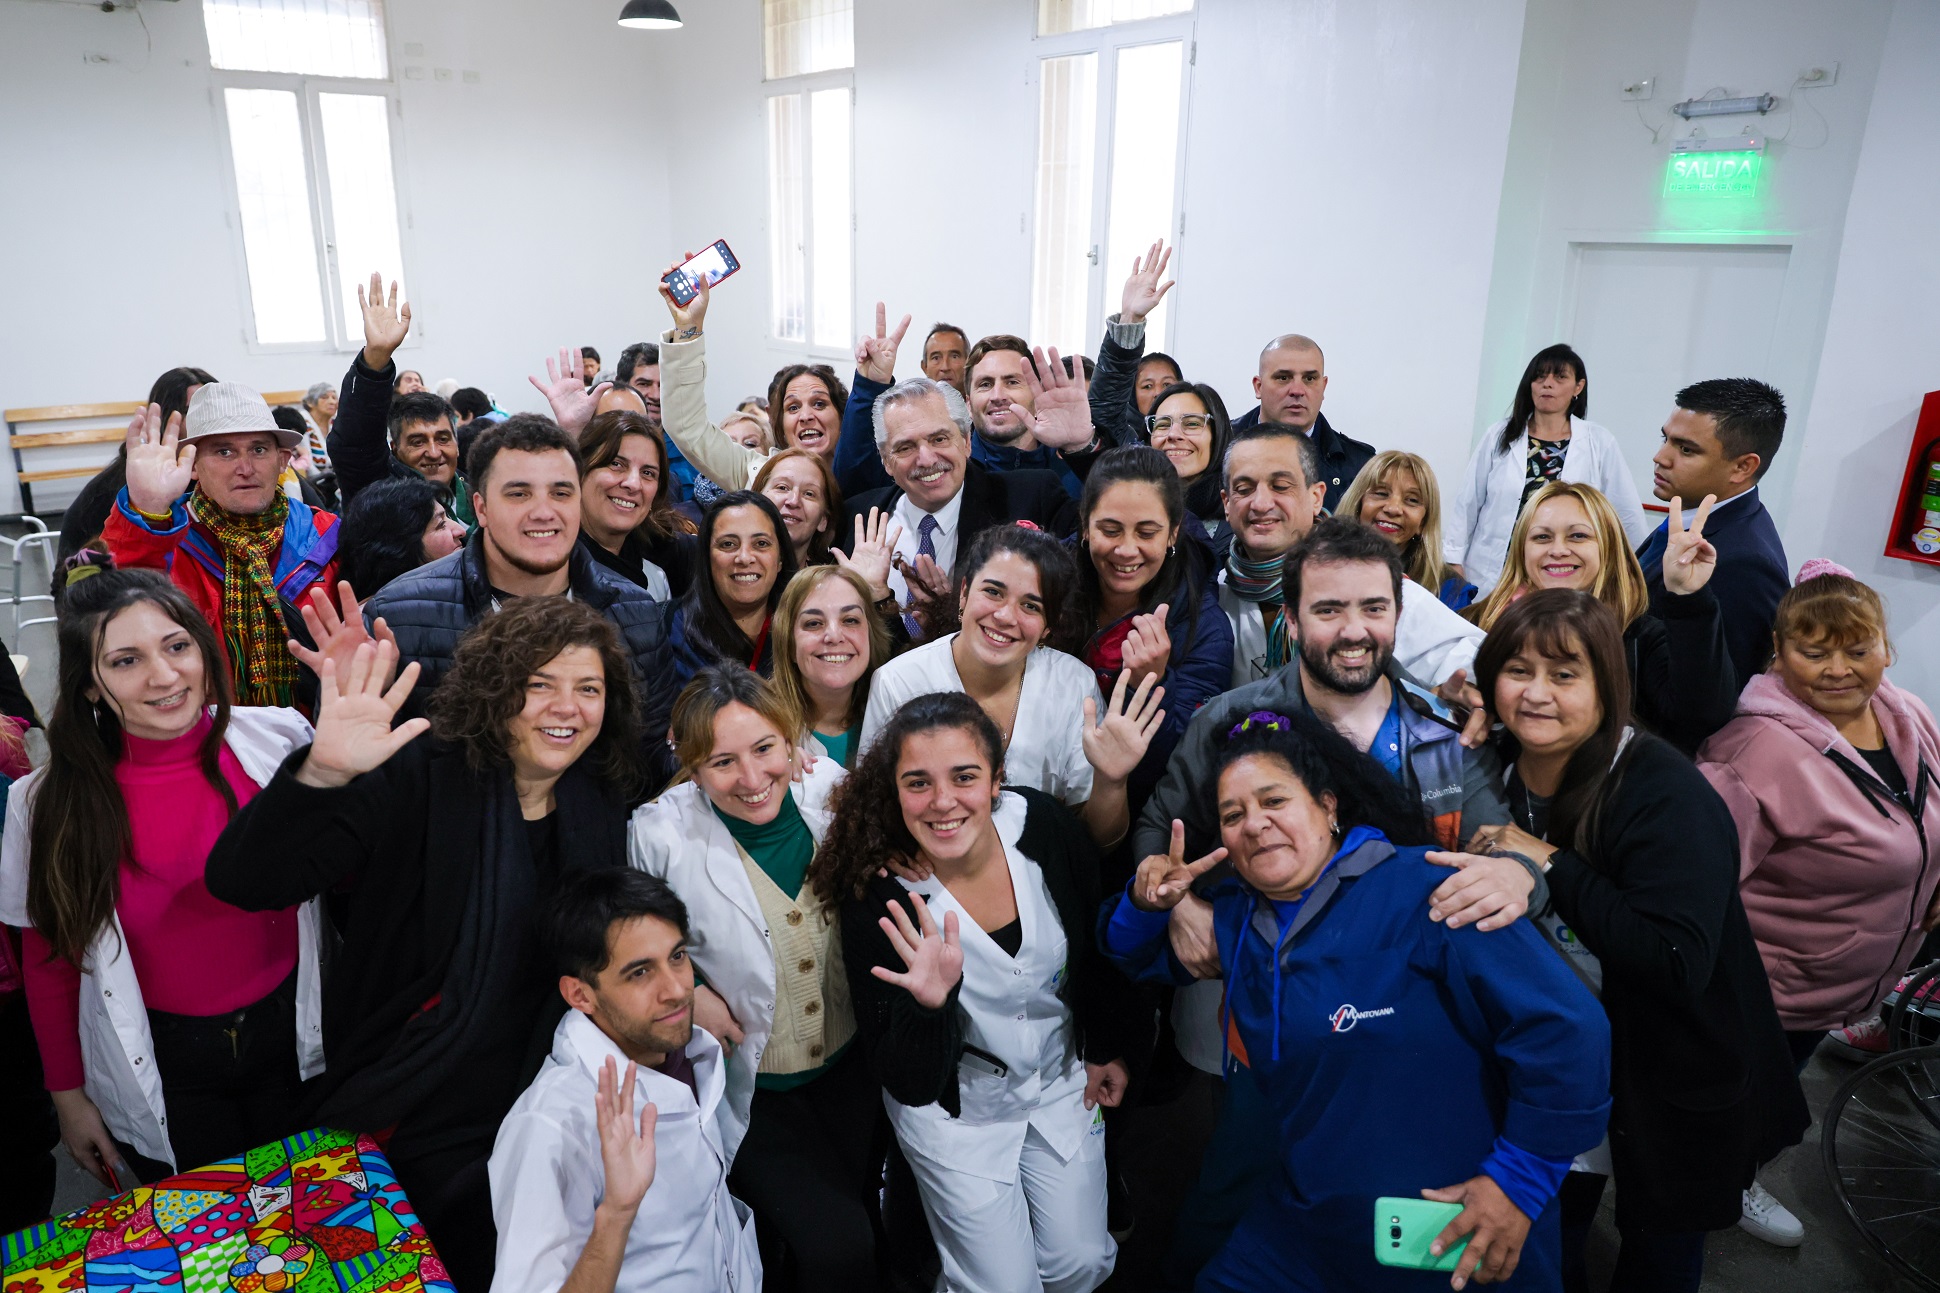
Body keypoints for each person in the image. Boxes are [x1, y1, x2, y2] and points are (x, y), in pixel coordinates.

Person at [206, 598, 644, 1290]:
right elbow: (244, 878)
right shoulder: (423, 770)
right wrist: (323, 768)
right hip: (414, 1091)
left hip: (542, 1091)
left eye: (588, 688)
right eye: (540, 683)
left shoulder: (597, 794)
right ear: (499, 688)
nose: (568, 707)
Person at [1103, 710, 1611, 1291]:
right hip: (1306, 1227)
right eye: (1232, 815)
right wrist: (1149, 902)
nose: (1255, 824)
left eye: (1274, 801)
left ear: (1328, 805)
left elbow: (1569, 1030)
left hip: (1452, 1228)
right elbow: (1131, 955)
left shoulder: (1430, 889)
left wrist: (1518, 1182)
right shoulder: (1241, 922)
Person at [1448, 589, 1808, 1292]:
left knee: (1660, 1251)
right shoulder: (1492, 761)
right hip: (1567, 1066)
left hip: (1674, 1073)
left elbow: (1674, 959)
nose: (1538, 693)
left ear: (1608, 683)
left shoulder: (1663, 790)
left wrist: (1550, 862)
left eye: (1564, 674)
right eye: (1517, 670)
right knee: (1559, 1230)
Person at [0, 570, 321, 1183]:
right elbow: (49, 960)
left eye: (177, 646)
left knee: (316, 1223)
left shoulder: (282, 742)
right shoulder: (45, 805)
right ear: (90, 687)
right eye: (126, 661)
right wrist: (68, 1097)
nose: (165, 676)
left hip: (292, 1044)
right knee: (207, 1242)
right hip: (164, 1064)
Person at [814, 691, 1139, 1293]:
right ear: (894, 792)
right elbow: (906, 1080)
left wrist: (1105, 1044)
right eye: (918, 783)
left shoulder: (1044, 828)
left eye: (964, 776)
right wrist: (927, 1005)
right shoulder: (882, 899)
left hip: (1058, 1082)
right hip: (954, 1111)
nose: (942, 802)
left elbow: (1095, 948)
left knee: (1084, 1264)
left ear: (996, 781)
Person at [629, 668, 880, 1291]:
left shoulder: (831, 791)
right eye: (721, 762)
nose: (750, 779)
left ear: (791, 739)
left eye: (765, 748)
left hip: (853, 1070)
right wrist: (690, 1000)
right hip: (755, 1090)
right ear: (687, 762)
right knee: (838, 1245)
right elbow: (639, 954)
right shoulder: (659, 833)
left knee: (858, 1221)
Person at [1698, 562, 1940, 1069]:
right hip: (1757, 1006)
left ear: (1885, 649)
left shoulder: (1909, 716)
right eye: (1815, 653)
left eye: (1858, 651)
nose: (1838, 669)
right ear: (1780, 653)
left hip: (1835, 1000)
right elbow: (1690, 885)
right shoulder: (1750, 753)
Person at [357, 414, 676, 789]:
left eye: (561, 493)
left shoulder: (636, 613)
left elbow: (649, 761)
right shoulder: (398, 615)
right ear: (481, 508)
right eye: (519, 493)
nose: (544, 511)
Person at [490, 868, 761, 1293]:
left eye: (677, 957)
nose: (676, 989)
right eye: (639, 973)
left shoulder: (684, 1048)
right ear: (581, 995)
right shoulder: (549, 1128)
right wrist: (617, 1213)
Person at [861, 524, 1163, 849]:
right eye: (993, 592)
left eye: (1031, 606)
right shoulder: (898, 681)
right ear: (964, 592)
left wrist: (1111, 781)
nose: (1005, 616)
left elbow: (1098, 843)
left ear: (1049, 626)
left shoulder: (1074, 684)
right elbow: (873, 816)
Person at [105, 384, 340, 708]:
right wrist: (145, 509)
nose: (245, 468)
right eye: (224, 452)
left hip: (322, 731)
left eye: (258, 449)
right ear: (193, 466)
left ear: (282, 460)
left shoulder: (326, 534)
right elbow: (112, 606)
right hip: (210, 740)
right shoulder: (164, 540)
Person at [1468, 481, 1737, 754]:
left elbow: (1703, 715)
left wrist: (1687, 596)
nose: (1558, 549)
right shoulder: (1476, 622)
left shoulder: (1641, 639)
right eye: (1542, 537)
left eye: (1577, 536)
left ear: (1608, 548)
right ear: (1521, 551)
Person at [1215, 423, 1481, 693]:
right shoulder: (1218, 590)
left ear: (1316, 496)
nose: (1261, 503)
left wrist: (1459, 694)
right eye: (1244, 489)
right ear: (1226, 503)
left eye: (1281, 486)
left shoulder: (1375, 586)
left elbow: (1475, 660)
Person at [1073, 446, 1232, 812]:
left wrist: (1151, 683)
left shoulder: (1205, 627)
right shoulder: (1048, 585)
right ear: (1085, 525)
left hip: (1132, 813)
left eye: (1147, 533)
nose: (1127, 550)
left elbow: (1175, 767)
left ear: (1173, 534)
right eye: (1110, 530)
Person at [1445, 345, 1649, 597]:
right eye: (1539, 376)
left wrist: (1636, 569)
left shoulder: (1599, 441)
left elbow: (1624, 511)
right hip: (1494, 570)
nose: (1547, 384)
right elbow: (1468, 502)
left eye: (1559, 377)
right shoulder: (1499, 435)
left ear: (1578, 387)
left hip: (1562, 565)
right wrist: (1454, 560)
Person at [1637, 378, 1790, 687]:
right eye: (1664, 439)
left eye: (1686, 449)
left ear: (1742, 467)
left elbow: (1716, 697)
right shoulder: (1692, 514)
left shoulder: (1747, 562)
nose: (1660, 457)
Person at [59, 366, 218, 575]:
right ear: (167, 416)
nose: (209, 420)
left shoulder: (211, 468)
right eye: (194, 411)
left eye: (213, 408)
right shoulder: (127, 486)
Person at [1229, 334, 1374, 512]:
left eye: (1310, 379)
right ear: (1258, 387)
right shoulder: (1217, 446)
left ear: (1323, 386)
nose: (1297, 391)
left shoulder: (1361, 466)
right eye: (1283, 378)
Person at [770, 565, 897, 768]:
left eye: (850, 620)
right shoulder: (757, 725)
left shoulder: (899, 717)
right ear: (789, 643)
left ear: (871, 636)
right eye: (813, 623)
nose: (834, 636)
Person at [670, 490, 799, 683]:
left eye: (761, 543)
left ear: (780, 558)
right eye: (728, 544)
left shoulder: (802, 631)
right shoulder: (667, 629)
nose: (745, 558)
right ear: (706, 557)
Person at [961, 333, 1103, 499]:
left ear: (1037, 394)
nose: (997, 396)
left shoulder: (1073, 466)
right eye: (985, 385)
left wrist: (1081, 448)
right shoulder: (953, 472)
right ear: (969, 404)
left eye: (1012, 382)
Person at [1341, 451, 1476, 610]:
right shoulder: (1318, 568)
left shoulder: (1450, 591)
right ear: (1358, 504)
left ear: (1423, 522)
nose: (1393, 509)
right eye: (1381, 493)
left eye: (1412, 500)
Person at [576, 408, 689, 600]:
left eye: (648, 473)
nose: (633, 484)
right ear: (580, 471)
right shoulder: (549, 571)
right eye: (616, 464)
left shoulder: (656, 579)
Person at [1088, 240, 1188, 452]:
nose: (1157, 394)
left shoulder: (1204, 436)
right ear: (1131, 393)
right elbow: (1104, 410)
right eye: (1147, 386)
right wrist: (1130, 317)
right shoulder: (1129, 445)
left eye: (1167, 385)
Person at [336, 476, 468, 600]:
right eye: (440, 525)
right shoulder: (374, 620)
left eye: (448, 517)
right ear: (397, 550)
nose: (461, 531)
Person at [1141, 381, 1233, 538]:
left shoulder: (1238, 515)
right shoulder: (1131, 502)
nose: (1173, 434)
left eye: (1191, 424)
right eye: (1162, 425)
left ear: (1217, 435)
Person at [755, 447, 844, 567]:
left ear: (823, 520)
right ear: (756, 499)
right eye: (782, 487)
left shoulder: (830, 584)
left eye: (809, 494)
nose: (793, 501)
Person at [921, 322, 969, 395]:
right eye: (936, 358)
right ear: (925, 367)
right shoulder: (910, 404)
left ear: (969, 364)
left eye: (954, 357)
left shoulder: (986, 403)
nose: (945, 367)